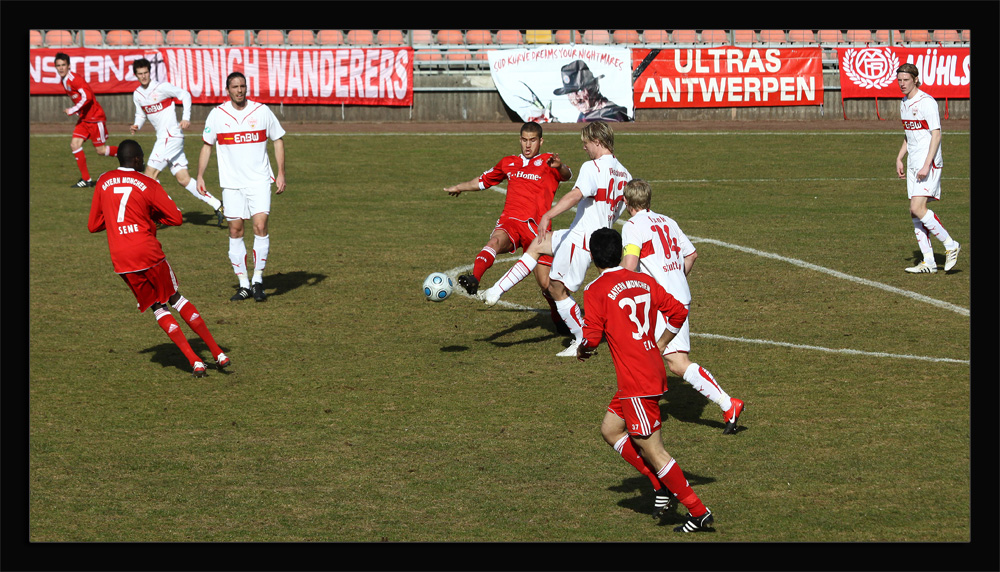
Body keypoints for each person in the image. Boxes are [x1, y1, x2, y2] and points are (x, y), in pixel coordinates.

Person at [576, 227, 715, 532]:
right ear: (621, 250)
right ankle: (658, 483)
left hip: (637, 379)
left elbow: (592, 337)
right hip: (649, 367)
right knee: (611, 430)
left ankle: (697, 510)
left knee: (653, 449)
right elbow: (678, 312)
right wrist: (662, 343)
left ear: (592, 256)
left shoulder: (595, 289)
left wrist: (583, 350)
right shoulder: (643, 279)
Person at [481, 121, 632, 357]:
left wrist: (548, 214)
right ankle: (495, 291)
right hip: (594, 234)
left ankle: (583, 341)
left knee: (556, 288)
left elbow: (575, 194)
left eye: (586, 143)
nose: (584, 148)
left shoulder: (593, 167)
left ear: (598, 142)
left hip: (583, 237)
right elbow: (622, 206)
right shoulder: (625, 173)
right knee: (538, 244)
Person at [88, 139, 230, 377]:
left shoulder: (103, 181)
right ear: (135, 160)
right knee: (175, 297)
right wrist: (149, 217)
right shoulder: (147, 183)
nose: (144, 162)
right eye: (142, 158)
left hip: (122, 259)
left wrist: (115, 221)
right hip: (147, 252)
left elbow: (93, 225)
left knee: (157, 307)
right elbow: (175, 218)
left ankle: (195, 362)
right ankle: (219, 354)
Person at [621, 179, 745, 435]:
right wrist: (676, 278)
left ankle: (727, 403)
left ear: (626, 203)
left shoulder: (632, 226)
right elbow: (691, 255)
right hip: (678, 298)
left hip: (661, 304)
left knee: (672, 361)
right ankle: (639, 408)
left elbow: (630, 265)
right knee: (655, 354)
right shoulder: (668, 221)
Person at [444, 122, 573, 331]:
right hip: (510, 222)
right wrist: (460, 187)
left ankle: (560, 318)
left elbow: (566, 176)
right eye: (524, 140)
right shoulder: (508, 163)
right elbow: (484, 181)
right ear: (519, 139)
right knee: (494, 241)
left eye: (532, 140)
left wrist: (560, 166)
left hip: (537, 230)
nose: (528, 145)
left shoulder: (549, 161)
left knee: (545, 283)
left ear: (541, 141)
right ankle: (475, 278)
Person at [197, 71, 287, 302]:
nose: (239, 90)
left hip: (258, 181)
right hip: (232, 184)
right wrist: (200, 176)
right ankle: (244, 284)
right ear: (228, 90)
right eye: (235, 87)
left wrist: (280, 173)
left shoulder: (261, 111)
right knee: (235, 231)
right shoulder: (217, 115)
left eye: (242, 86)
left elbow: (277, 139)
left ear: (246, 88)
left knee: (260, 226)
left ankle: (258, 280)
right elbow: (207, 146)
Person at [130, 58, 225, 227]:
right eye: (140, 74)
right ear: (136, 75)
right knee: (183, 179)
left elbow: (185, 94)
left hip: (171, 137)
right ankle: (218, 205)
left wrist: (186, 118)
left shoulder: (162, 88)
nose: (143, 77)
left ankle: (159, 214)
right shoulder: (137, 94)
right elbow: (141, 114)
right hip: (165, 139)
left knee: (148, 177)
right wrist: (137, 124)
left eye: (146, 73)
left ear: (149, 72)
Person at [894, 63, 961, 274]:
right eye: (899, 80)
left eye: (905, 80)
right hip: (913, 163)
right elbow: (910, 133)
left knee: (917, 208)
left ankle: (951, 245)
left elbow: (936, 134)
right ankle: (929, 262)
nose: (902, 84)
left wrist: (926, 164)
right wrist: (899, 157)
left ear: (915, 79)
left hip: (927, 163)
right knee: (914, 212)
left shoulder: (927, 102)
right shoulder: (904, 103)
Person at [54, 52, 118, 188]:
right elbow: (79, 97)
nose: (61, 68)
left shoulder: (75, 79)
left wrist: (73, 109)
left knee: (101, 151)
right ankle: (86, 180)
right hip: (84, 119)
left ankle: (130, 154)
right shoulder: (64, 80)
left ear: (69, 66)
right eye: (58, 65)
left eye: (63, 65)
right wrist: (79, 111)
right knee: (75, 145)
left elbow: (87, 96)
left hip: (95, 118)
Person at [552, 60, 630, 123]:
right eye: (570, 93)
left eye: (579, 91)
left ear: (594, 87)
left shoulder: (613, 115)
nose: (576, 99)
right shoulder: (583, 115)